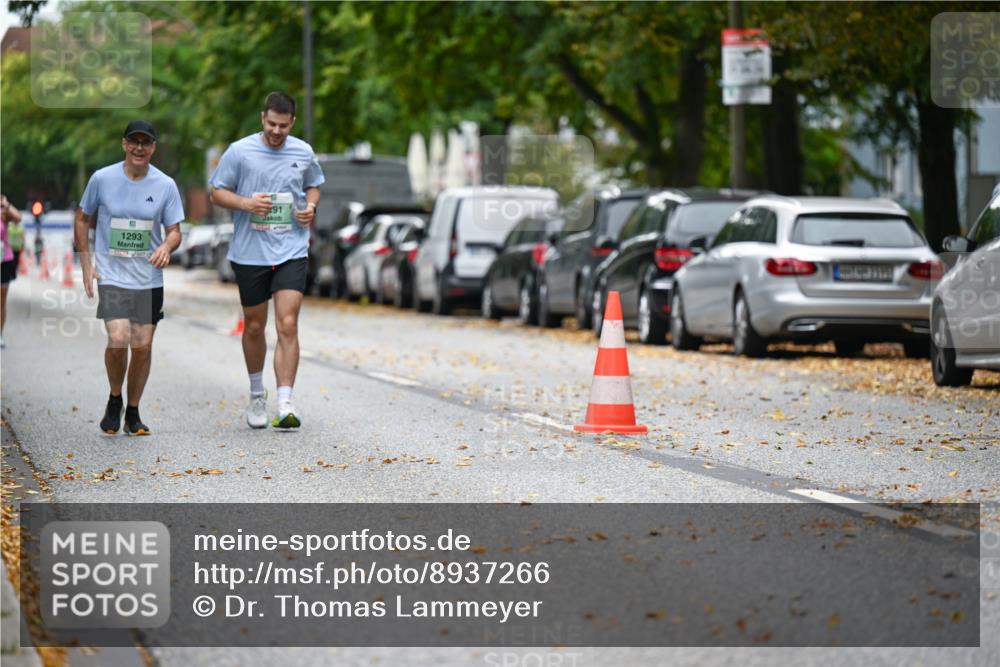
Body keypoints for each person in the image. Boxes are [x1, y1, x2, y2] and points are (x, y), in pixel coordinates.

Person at [209, 91, 323, 430]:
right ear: (263, 119)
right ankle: (257, 393)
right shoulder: (240, 152)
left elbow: (314, 185)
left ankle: (285, 401)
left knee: (287, 324)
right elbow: (216, 191)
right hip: (250, 252)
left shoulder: (302, 151)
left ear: (292, 123)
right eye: (271, 124)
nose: (276, 131)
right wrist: (246, 204)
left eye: (283, 126)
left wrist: (310, 208)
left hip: (290, 249)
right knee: (255, 326)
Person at [75, 120, 184, 435]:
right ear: (124, 144)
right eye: (133, 141)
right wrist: (86, 263)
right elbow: (82, 220)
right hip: (112, 274)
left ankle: (133, 411)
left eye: (145, 142)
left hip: (149, 278)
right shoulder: (102, 179)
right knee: (119, 338)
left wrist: (166, 245)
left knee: (143, 346)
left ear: (153, 148)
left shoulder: (165, 185)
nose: (139, 148)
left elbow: (175, 230)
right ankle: (114, 398)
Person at [1, 194, 23, 348]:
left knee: (1, 301)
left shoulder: (3, 212)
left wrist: (6, 204)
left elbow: (18, 217)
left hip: (4, 260)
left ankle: (0, 334)